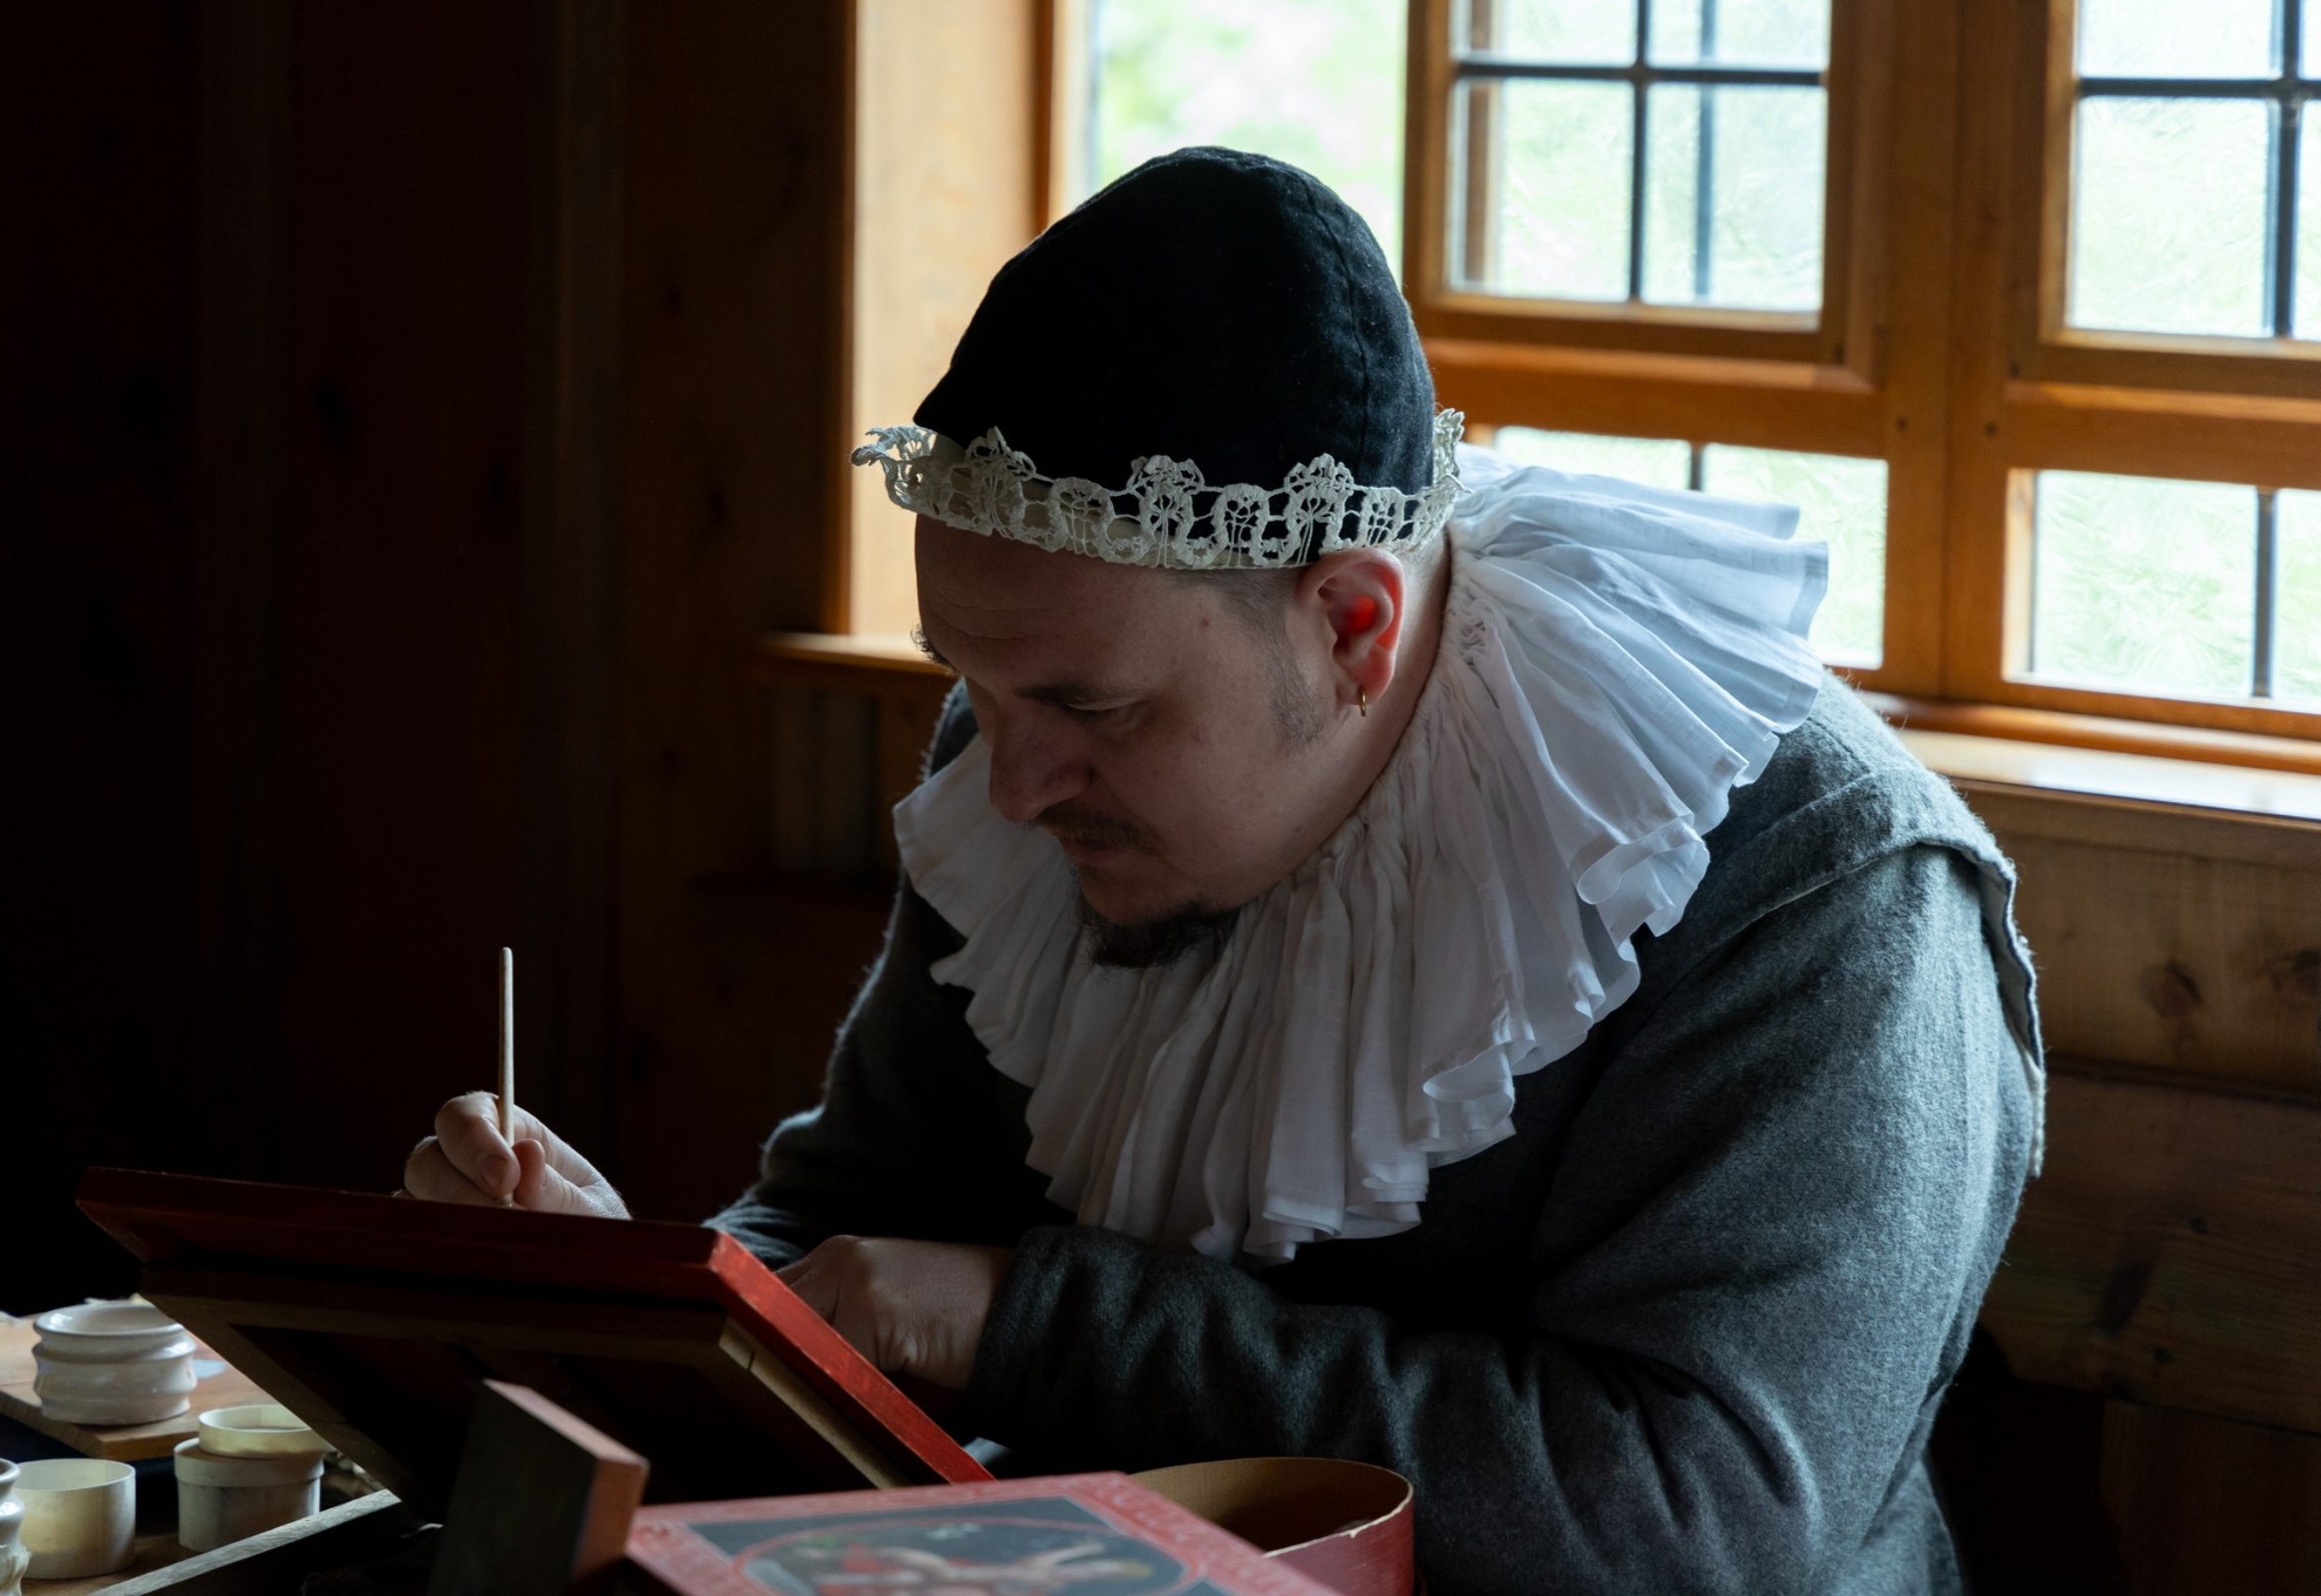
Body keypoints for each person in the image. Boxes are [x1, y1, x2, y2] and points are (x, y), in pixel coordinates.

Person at [407, 149, 2042, 1595]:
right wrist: (655, 1294)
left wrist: (1030, 1324)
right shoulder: (1035, 750)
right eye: (973, 690)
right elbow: (854, 1228)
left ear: (1350, 625)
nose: (1013, 781)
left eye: (1093, 710)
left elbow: (1696, 1528)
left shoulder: (1814, 889)